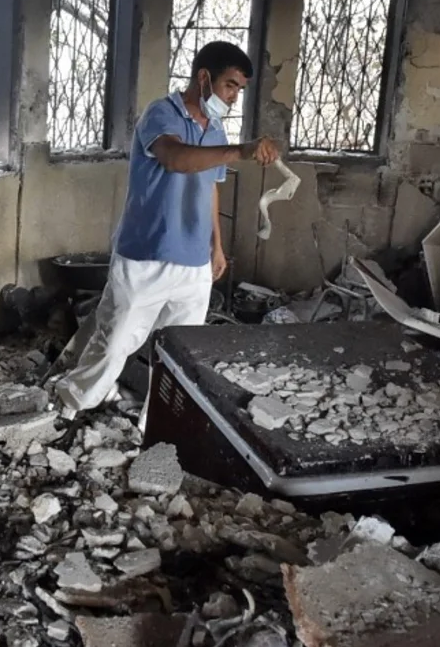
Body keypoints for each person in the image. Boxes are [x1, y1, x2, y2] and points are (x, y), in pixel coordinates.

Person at [55, 40, 279, 418]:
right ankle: (71, 403)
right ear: (204, 77)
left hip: (193, 263)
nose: (234, 96)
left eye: (239, 90)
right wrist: (241, 151)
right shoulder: (162, 114)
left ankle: (155, 425)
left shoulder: (217, 130)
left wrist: (217, 246)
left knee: (181, 354)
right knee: (115, 342)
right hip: (145, 254)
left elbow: (209, 187)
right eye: (229, 86)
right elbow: (175, 159)